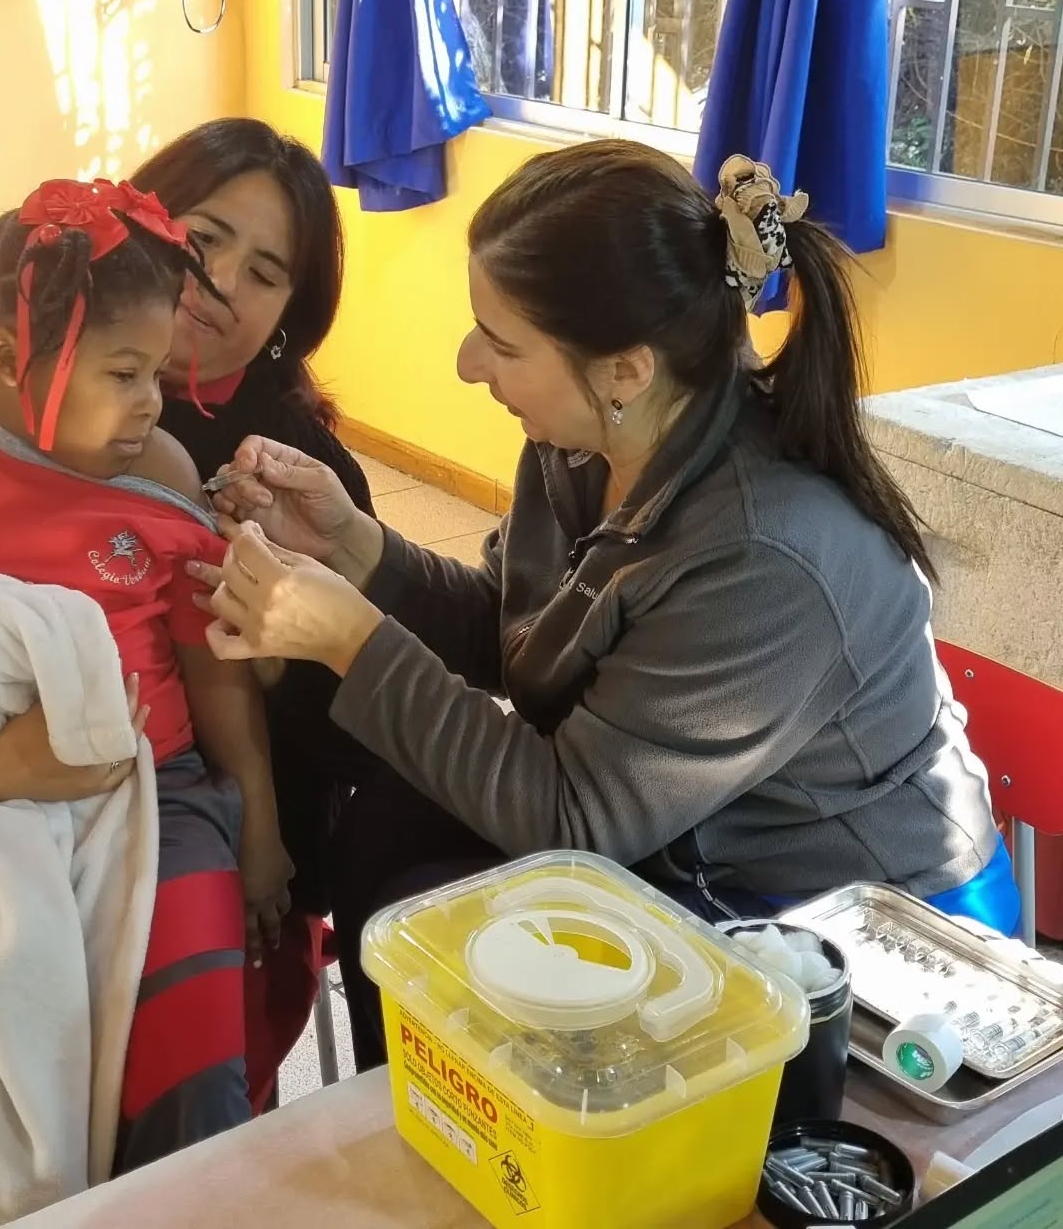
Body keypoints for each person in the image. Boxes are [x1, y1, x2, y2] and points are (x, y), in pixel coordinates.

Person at [192, 141, 1018, 1070]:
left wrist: (354, 639)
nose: (468, 363)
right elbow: (522, 632)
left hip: (849, 935)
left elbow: (574, 819)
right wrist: (355, 547)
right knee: (394, 830)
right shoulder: (589, 443)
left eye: (502, 343)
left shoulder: (765, 557)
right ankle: (431, 1128)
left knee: (460, 949)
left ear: (626, 370)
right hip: (678, 845)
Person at [0, 119, 376, 1113]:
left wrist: (278, 651)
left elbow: (341, 722)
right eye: (204, 240)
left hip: (192, 818)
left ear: (292, 311)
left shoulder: (300, 477)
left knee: (187, 1087)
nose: (220, 283)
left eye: (266, 272)